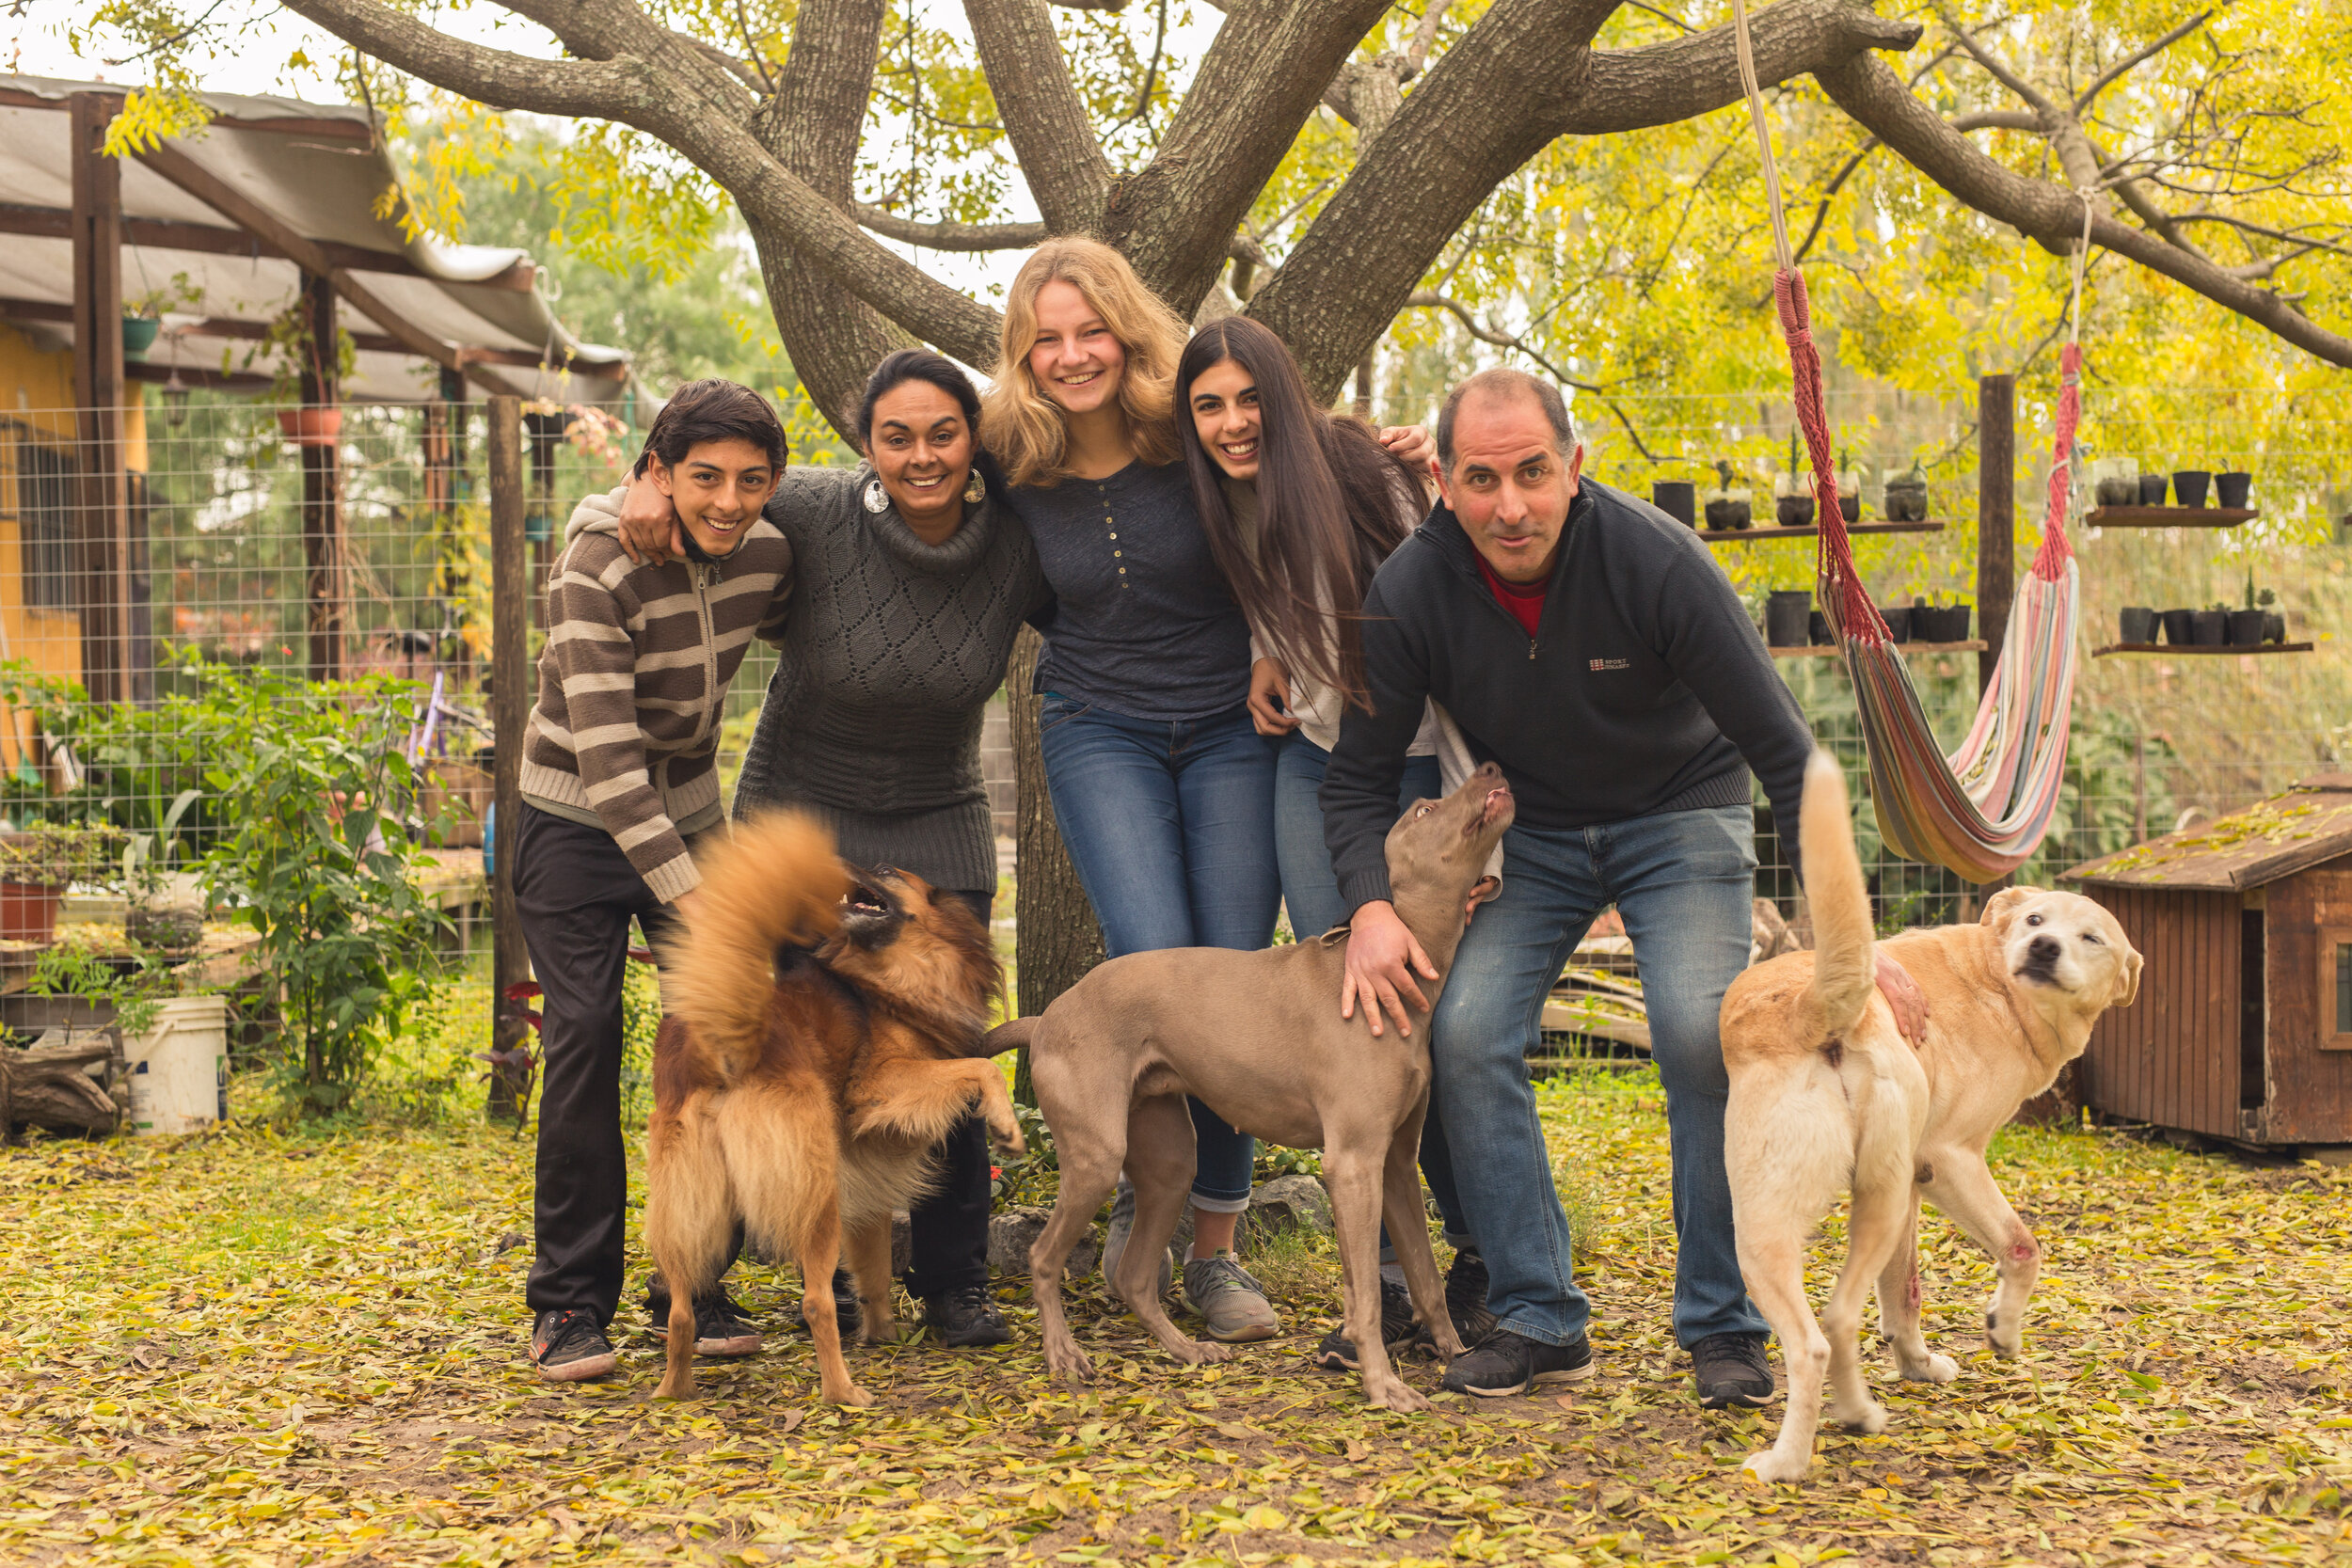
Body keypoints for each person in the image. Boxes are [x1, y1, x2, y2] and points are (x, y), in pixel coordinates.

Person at [1322, 368, 1923, 1403]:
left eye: (1531, 473)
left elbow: (1786, 755)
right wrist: (1367, 906)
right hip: (1538, 832)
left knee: (1698, 1031)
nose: (1509, 505)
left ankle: (1722, 1319)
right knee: (1462, 1031)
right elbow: (1354, 779)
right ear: (1445, 484)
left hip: (1680, 812)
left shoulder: (1655, 558)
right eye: (1480, 478)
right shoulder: (1413, 589)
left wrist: (1850, 951)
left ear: (1574, 468)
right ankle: (1537, 1313)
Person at [983, 239, 1438, 1342]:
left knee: (1236, 976)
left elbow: (1292, 469)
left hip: (1239, 722)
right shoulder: (1012, 461)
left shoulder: (1184, 433)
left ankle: (1216, 1253)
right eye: (1047, 337)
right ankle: (1150, 1224)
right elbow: (908, 488)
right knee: (1152, 959)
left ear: (1127, 331)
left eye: (1091, 329)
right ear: (1022, 353)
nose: (1073, 354)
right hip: (1099, 728)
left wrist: (1397, 455)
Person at [606, 350, 1050, 1350]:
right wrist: (638, 476)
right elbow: (703, 479)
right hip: (800, 823)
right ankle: (710, 1278)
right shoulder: (808, 506)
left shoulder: (1018, 542)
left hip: (936, 822)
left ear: (974, 439)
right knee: (762, 1039)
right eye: (896, 436)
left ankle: (953, 1283)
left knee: (948, 1051)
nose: (922, 455)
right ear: (864, 444)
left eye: (943, 433)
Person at [1170, 316, 1489, 1366]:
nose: (1230, 423)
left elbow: (1448, 619)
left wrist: (1472, 830)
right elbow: (1282, 590)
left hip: (1413, 773)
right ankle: (1388, 1293)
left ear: (1284, 392)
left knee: (1441, 1033)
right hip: (1317, 761)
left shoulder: (1370, 471)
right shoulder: (1227, 494)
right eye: (1207, 405)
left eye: (1246, 398)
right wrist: (1272, 656)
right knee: (1365, 1024)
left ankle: (1484, 1260)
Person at [514, 380, 793, 1383]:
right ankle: (567, 1303)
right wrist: (695, 894)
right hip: (575, 814)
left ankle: (693, 1277)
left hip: (684, 810)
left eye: (751, 481)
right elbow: (607, 764)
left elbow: (850, 506)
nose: (727, 500)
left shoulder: (766, 550)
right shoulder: (598, 560)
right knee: (586, 1029)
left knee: (720, 1035)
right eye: (702, 477)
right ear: (660, 473)